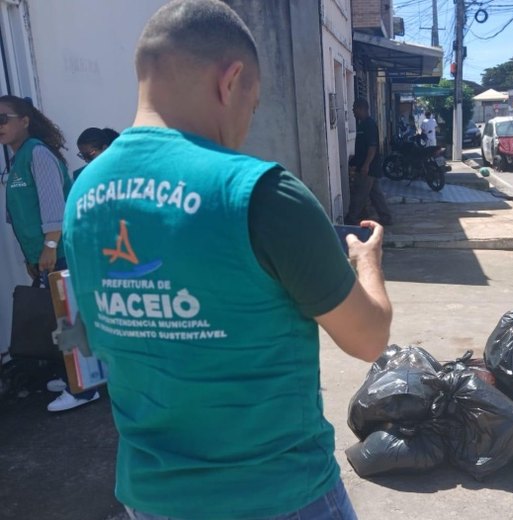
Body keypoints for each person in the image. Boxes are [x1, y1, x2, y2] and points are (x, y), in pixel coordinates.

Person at [62, 1, 391, 519]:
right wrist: (366, 262)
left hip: (152, 500)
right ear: (231, 80)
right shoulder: (259, 191)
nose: (246, 123)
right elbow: (368, 339)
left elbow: (99, 334)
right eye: (253, 104)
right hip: (278, 494)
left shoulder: (83, 194)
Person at [0, 94, 100, 412]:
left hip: (61, 251)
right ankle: (72, 375)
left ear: (24, 121)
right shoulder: (18, 159)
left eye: (3, 118)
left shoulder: (38, 154)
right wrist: (33, 257)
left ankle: (83, 389)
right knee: (60, 318)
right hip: (44, 254)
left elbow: (53, 205)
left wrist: (50, 247)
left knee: (68, 319)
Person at [346, 98, 392, 226]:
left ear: (361, 109)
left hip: (368, 167)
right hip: (368, 166)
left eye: (354, 109)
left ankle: (352, 218)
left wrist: (366, 165)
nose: (353, 112)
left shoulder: (369, 125)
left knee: (359, 194)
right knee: (375, 194)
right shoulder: (362, 124)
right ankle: (385, 217)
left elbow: (372, 147)